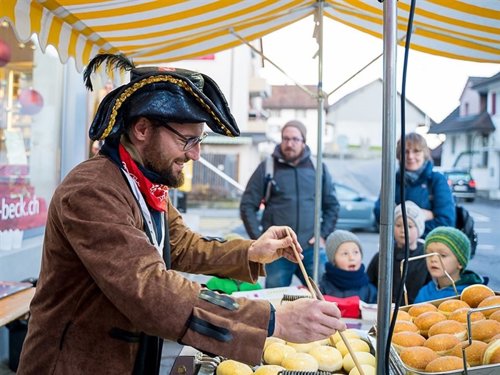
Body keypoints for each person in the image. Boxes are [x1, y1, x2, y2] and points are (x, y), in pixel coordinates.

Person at [17, 54, 346, 374]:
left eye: (199, 139)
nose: (196, 154)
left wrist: (250, 251)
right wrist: (274, 320)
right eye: (187, 140)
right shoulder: (93, 189)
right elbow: (150, 290)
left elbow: (183, 245)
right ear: (142, 129)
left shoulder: (143, 182)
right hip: (74, 364)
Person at [240, 120, 340, 288]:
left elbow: (332, 205)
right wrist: (259, 238)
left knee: (321, 296)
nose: (289, 144)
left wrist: (322, 235)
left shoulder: (317, 168)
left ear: (304, 141)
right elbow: (247, 205)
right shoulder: (268, 167)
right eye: (285, 139)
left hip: (310, 249)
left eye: (295, 139)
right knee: (276, 302)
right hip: (277, 252)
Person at [374, 132, 455, 237]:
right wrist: (420, 214)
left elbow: (446, 222)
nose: (410, 156)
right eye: (405, 152)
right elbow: (379, 213)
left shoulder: (437, 180)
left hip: (427, 248)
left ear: (424, 154)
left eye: (416, 151)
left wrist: (399, 220)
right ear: (399, 155)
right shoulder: (392, 181)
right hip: (397, 249)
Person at [367, 201, 431, 304]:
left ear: (419, 229)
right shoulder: (382, 255)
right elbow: (369, 283)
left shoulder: (426, 258)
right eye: (398, 225)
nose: (403, 230)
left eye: (409, 226)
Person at [414, 226, 485, 303]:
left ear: (460, 262)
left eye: (443, 255)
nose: (433, 259)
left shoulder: (472, 294)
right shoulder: (424, 292)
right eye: (429, 254)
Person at [319, 230, 377, 303]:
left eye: (356, 252)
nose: (352, 258)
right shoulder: (323, 287)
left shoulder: (369, 290)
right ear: (333, 259)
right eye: (345, 253)